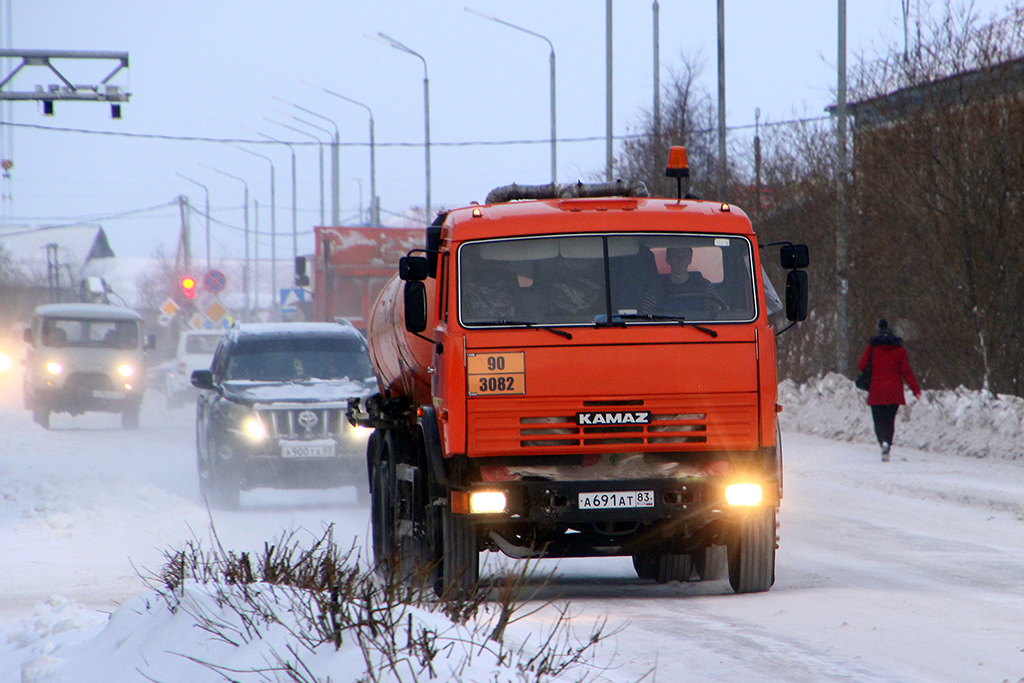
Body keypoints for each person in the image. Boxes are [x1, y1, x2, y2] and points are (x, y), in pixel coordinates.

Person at [858, 319, 921, 462]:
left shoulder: (873, 347)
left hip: (877, 390)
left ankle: (882, 442)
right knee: (890, 420)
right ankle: (888, 443)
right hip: (894, 391)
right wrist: (915, 389)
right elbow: (907, 371)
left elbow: (861, 365)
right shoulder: (899, 349)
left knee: (878, 420)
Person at [639, 246, 724, 315]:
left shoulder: (704, 286)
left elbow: (717, 311)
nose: (680, 261)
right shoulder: (656, 287)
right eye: (676, 257)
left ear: (690, 259)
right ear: (668, 259)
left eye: (684, 257)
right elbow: (644, 314)